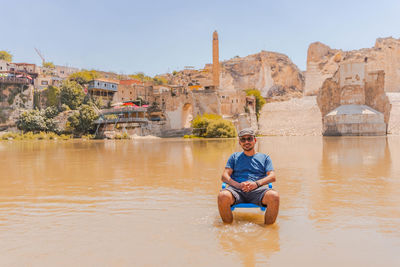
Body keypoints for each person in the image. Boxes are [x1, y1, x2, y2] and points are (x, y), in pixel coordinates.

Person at [217, 128, 280, 224]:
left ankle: (268, 231)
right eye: (243, 139)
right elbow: (224, 176)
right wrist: (238, 185)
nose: (246, 142)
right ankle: (228, 228)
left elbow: (272, 176)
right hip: (236, 190)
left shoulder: (265, 158)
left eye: (249, 139)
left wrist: (256, 184)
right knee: (223, 196)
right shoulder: (234, 157)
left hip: (258, 191)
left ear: (255, 140)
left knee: (274, 196)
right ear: (239, 142)